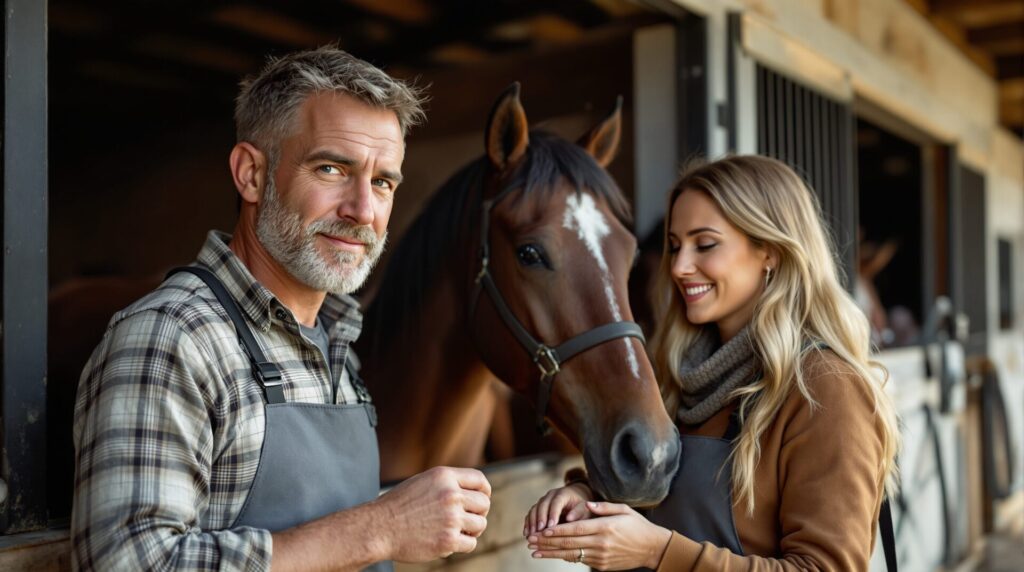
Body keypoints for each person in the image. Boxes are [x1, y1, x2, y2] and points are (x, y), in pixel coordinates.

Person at [72, 46, 491, 571]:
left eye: (382, 182)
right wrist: (382, 527)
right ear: (251, 174)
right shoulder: (172, 338)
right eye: (332, 168)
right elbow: (128, 564)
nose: (363, 210)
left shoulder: (339, 345)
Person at [524, 155, 900, 570]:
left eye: (705, 245)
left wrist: (658, 551)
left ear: (770, 251)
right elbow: (665, 499)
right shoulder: (677, 373)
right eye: (674, 246)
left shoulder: (826, 388)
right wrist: (587, 496)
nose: (679, 267)